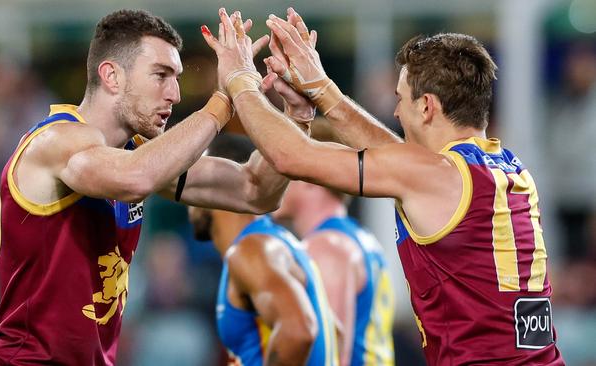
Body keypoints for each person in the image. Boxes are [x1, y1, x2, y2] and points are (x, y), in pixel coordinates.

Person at [203, 7, 565, 365]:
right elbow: (397, 155)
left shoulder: (431, 174)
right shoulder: (508, 170)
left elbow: (290, 156)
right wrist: (322, 89)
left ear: (426, 106)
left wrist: (239, 79)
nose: (395, 113)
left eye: (400, 99)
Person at [0, 9, 287, 366]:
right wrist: (225, 98)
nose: (174, 93)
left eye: (177, 77)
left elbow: (255, 190)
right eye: (161, 75)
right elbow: (137, 178)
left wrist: (298, 114)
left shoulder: (135, 154)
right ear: (111, 76)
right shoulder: (57, 140)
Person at [188, 133, 338, 366]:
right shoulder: (279, 244)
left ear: (219, 184)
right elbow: (336, 331)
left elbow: (298, 331)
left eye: (195, 181)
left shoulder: (254, 249)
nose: (188, 197)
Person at [273, 181, 394, 366]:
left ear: (309, 180)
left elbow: (332, 355)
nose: (272, 181)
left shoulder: (327, 247)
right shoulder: (362, 238)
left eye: (283, 173)